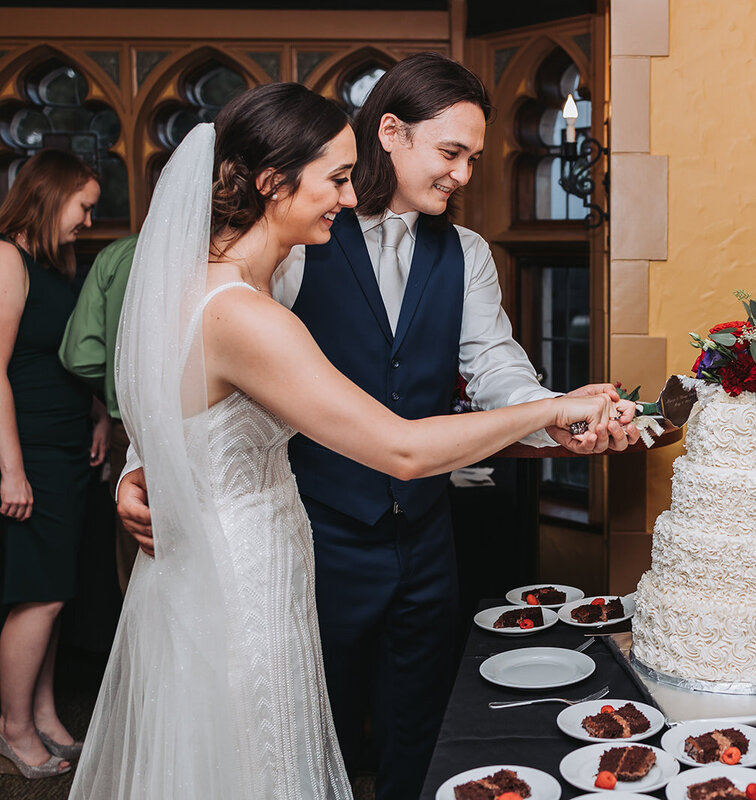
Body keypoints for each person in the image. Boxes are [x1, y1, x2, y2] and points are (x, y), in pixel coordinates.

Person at [72, 82, 626, 800]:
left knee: (413, 729)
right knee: (291, 729)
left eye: (476, 158)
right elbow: (204, 377)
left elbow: (493, 363)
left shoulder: (461, 252)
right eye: (451, 152)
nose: (463, 175)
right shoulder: (294, 251)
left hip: (420, 534)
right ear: (390, 133)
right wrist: (139, 470)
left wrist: (552, 413)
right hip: (312, 532)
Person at [0, 149, 108, 779]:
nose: (88, 220)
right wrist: (11, 471)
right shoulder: (7, 258)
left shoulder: (57, 266)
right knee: (36, 596)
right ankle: (13, 730)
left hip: (66, 446)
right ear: (50, 196)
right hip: (31, 452)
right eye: (83, 206)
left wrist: (96, 413)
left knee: (56, 593)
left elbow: (69, 356)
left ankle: (41, 712)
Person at [59, 233, 139, 593]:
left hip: (132, 428)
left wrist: (113, 385)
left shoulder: (118, 254)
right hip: (217, 433)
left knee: (136, 564)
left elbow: (80, 356)